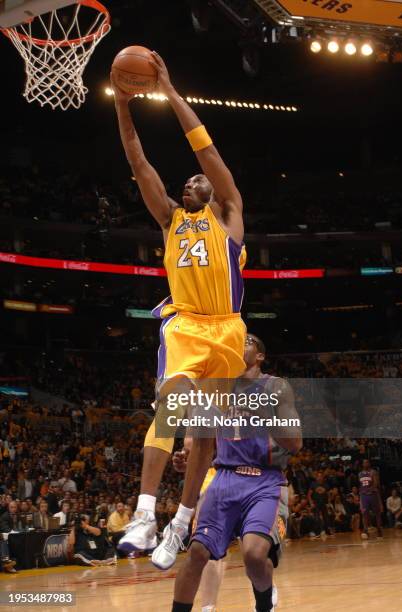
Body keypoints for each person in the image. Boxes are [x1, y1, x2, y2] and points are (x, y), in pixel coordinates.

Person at [112, 51, 246, 560]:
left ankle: (181, 523)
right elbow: (135, 158)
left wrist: (168, 89)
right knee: (170, 405)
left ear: (214, 189)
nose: (192, 179)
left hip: (229, 331)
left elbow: (205, 147)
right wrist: (124, 104)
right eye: (187, 179)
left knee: (204, 433)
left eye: (198, 179)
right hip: (186, 325)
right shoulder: (169, 219)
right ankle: (145, 514)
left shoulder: (229, 212)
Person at [171, 334, 302, 611]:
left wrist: (265, 414)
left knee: (254, 556)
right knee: (196, 553)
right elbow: (196, 441)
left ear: (260, 356)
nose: (239, 343)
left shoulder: (276, 387)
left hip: (264, 480)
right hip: (225, 478)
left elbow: (295, 441)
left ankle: (264, 604)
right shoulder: (217, 388)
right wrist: (186, 458)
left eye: (248, 341)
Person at [358, 459, 383, 539]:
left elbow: (376, 484)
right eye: (364, 462)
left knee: (377, 513)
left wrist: (369, 489)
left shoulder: (373, 472)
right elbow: (361, 486)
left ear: (369, 463)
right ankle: (365, 530)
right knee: (364, 514)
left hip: (373, 495)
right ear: (362, 464)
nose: (365, 463)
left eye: (367, 462)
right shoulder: (360, 474)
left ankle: (379, 530)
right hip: (364, 496)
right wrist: (361, 494)